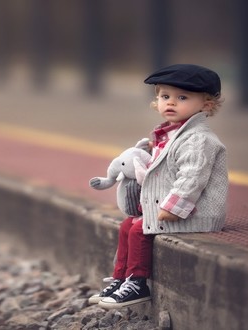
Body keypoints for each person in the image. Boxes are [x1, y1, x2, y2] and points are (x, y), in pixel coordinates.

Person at [90, 64, 229, 309]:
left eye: (182, 97)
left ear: (206, 104)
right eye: (165, 96)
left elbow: (192, 177)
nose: (171, 103)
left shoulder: (198, 139)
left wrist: (174, 207)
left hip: (193, 212)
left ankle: (138, 282)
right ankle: (122, 278)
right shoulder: (171, 135)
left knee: (138, 230)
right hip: (169, 208)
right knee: (127, 225)